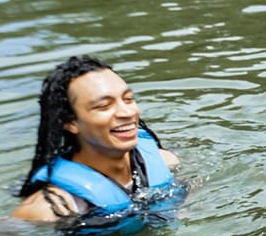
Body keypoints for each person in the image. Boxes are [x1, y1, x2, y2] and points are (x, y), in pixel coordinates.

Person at [10, 55, 183, 225]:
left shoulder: (165, 161)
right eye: (104, 106)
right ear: (70, 122)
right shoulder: (48, 210)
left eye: (128, 99)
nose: (127, 113)